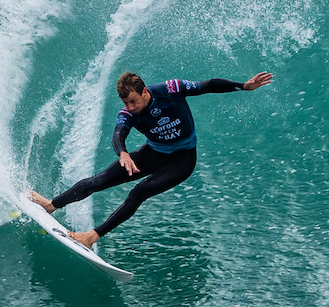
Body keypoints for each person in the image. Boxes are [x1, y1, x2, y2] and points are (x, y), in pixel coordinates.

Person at [30, 69, 274, 248]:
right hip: (153, 153)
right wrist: (123, 153)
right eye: (125, 102)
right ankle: (51, 205)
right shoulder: (128, 112)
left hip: (182, 160)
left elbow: (207, 85)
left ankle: (92, 236)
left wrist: (243, 86)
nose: (130, 106)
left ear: (145, 91)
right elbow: (119, 134)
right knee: (99, 180)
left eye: (133, 100)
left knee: (139, 192)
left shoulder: (172, 89)